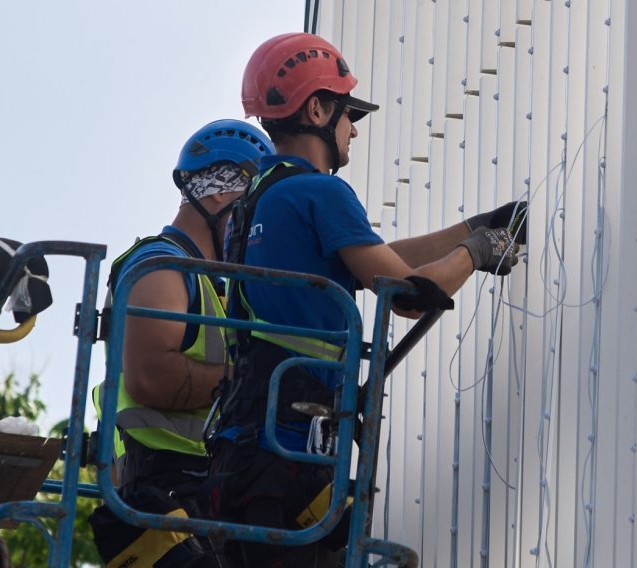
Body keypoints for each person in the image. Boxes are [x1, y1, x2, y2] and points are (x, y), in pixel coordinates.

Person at [204, 33, 526, 567]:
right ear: (318, 108)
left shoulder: (261, 197)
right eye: (349, 112)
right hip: (292, 453)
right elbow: (407, 292)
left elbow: (371, 256)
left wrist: (470, 227)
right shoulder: (321, 191)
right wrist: (478, 252)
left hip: (247, 452)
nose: (353, 129)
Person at [88, 119, 275, 568]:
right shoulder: (160, 267)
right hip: (162, 494)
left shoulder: (222, 287)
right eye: (252, 208)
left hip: (203, 492)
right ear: (217, 195)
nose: (255, 228)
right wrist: (253, 381)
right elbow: (152, 378)